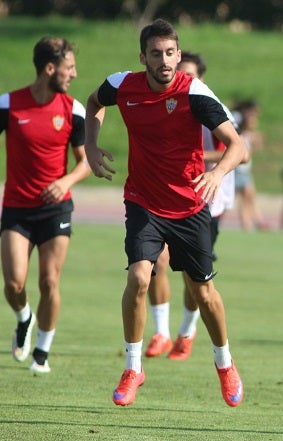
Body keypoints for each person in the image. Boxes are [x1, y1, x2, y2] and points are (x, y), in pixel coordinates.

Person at [84, 19, 246, 407]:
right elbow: (93, 103)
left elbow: (238, 146)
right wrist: (90, 146)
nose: (165, 60)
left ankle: (224, 364)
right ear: (143, 58)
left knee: (203, 293)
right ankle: (133, 367)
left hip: (189, 207)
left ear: (178, 54)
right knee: (140, 276)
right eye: (156, 54)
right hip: (143, 201)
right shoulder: (123, 85)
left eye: (170, 53)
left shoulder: (195, 93)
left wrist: (217, 172)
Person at [0, 37, 91, 374]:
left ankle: (41, 351)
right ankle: (24, 318)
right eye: (69, 68)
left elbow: (85, 163)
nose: (75, 74)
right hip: (17, 210)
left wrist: (65, 182)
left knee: (49, 282)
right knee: (13, 285)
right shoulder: (9, 105)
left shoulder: (74, 109)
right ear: (49, 69)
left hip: (56, 210)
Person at [144, 50, 239, 361]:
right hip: (166, 198)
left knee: (194, 276)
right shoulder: (165, 103)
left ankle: (186, 331)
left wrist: (193, 161)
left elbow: (235, 150)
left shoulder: (210, 107)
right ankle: (160, 333)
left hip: (208, 200)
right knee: (156, 262)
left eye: (191, 74)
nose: (183, 78)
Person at [231, 99, 268, 232]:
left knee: (248, 196)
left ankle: (254, 222)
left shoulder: (248, 134)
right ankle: (250, 222)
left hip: (244, 170)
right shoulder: (237, 122)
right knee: (238, 197)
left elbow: (250, 152)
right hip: (237, 169)